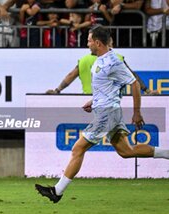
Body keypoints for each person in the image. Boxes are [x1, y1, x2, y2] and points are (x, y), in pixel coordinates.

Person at [35, 25, 169, 203]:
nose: (87, 44)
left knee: (78, 148)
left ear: (98, 43)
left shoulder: (113, 62)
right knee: (126, 151)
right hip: (107, 110)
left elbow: (134, 84)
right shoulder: (98, 60)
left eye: (89, 40)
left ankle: (57, 191)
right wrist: (94, 101)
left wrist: (137, 112)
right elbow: (110, 87)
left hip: (107, 113)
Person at [46, 37, 159, 95]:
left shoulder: (84, 60)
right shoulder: (117, 58)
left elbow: (70, 76)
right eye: (112, 44)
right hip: (112, 103)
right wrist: (147, 90)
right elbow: (132, 77)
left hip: (88, 101)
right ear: (106, 44)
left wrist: (57, 90)